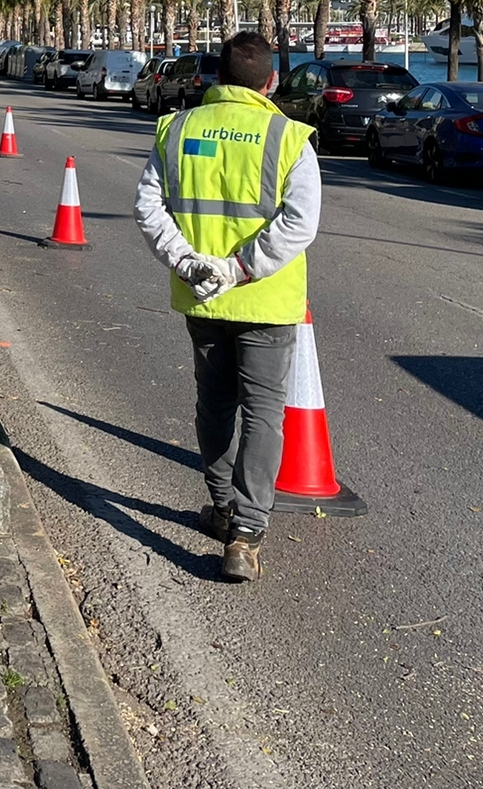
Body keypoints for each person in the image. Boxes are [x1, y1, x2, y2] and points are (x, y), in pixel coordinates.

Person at [133, 30, 321, 583]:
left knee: (214, 404)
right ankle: (246, 533)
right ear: (271, 82)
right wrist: (240, 268)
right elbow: (299, 222)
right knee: (263, 413)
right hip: (266, 298)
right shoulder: (288, 138)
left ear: (216, 78)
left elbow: (149, 207)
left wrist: (191, 263)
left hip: (202, 297)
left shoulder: (178, 128)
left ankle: (220, 508)